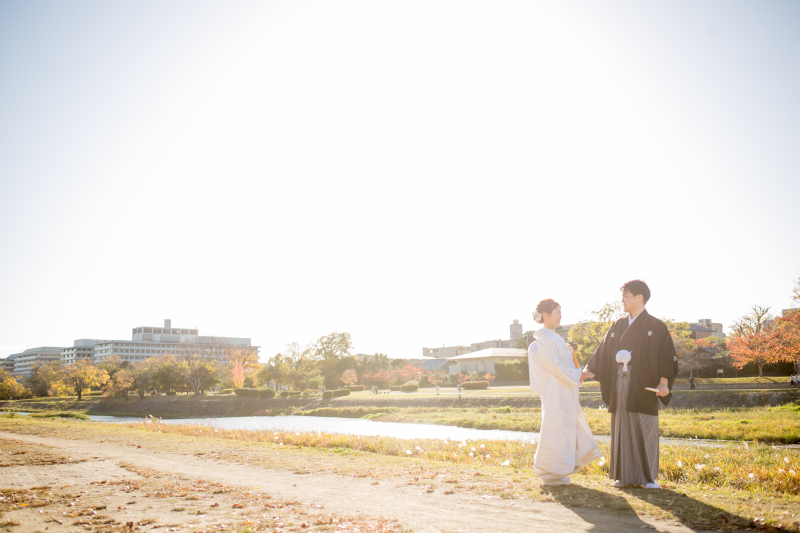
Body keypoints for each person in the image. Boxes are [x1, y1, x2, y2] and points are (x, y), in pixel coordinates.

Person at [585, 280, 678, 489]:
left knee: (645, 427)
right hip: (620, 383)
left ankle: (648, 478)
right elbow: (602, 352)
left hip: (644, 385)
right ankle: (624, 475)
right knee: (621, 427)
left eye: (626, 296)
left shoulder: (656, 326)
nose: (622, 300)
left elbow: (666, 356)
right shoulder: (618, 325)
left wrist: (664, 383)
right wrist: (589, 371)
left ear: (640, 297)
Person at [528, 298, 602, 485]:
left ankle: (560, 470)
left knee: (564, 430)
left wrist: (578, 375)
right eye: (557, 312)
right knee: (555, 430)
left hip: (563, 391)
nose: (561, 316)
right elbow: (555, 366)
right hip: (554, 392)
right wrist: (580, 376)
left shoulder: (552, 337)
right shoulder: (542, 341)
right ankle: (551, 471)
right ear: (546, 315)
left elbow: (562, 365)